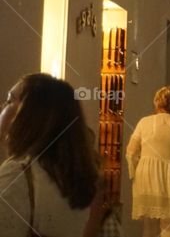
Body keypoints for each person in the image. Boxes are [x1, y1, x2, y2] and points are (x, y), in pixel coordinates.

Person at [0, 73, 100, 236]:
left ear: (28, 115)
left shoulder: (17, 174)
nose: (2, 107)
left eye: (10, 101)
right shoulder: (75, 179)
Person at [126, 86, 170, 237]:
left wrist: (136, 172)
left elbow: (131, 152)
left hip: (148, 179)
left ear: (157, 102)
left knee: (149, 228)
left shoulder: (143, 123)